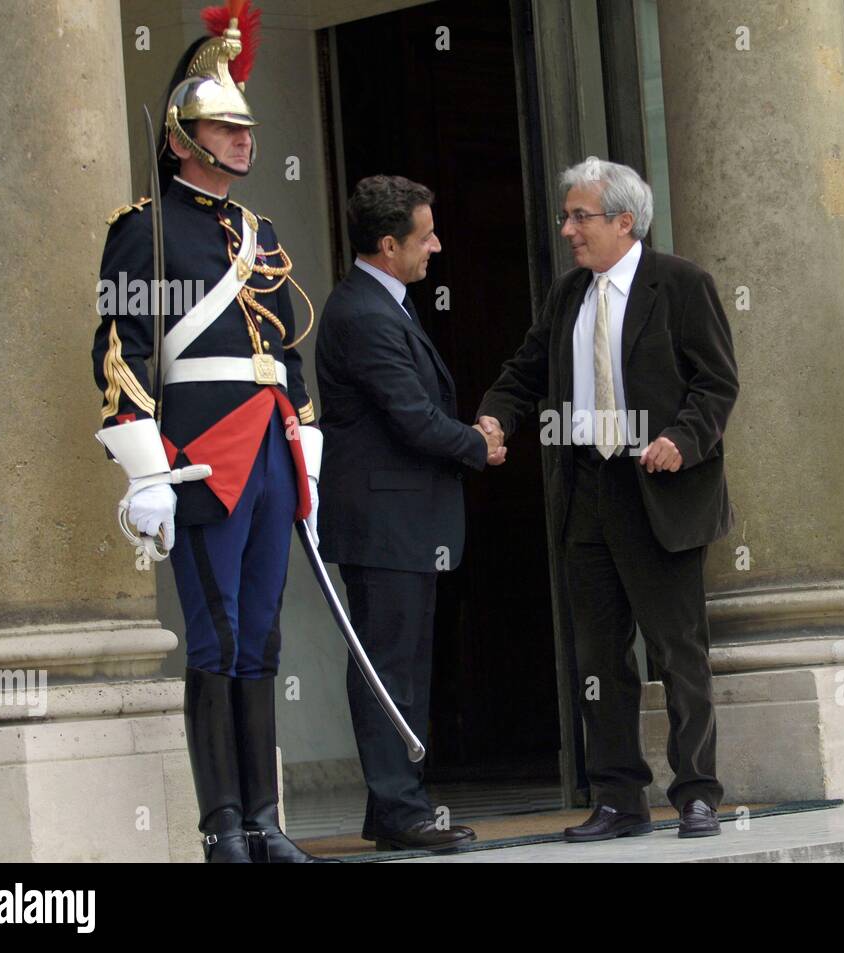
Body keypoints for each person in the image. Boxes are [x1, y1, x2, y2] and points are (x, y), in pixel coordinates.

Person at [91, 2, 333, 861]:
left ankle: (266, 822)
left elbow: (286, 345)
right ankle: (221, 824)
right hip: (203, 454)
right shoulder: (144, 229)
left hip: (270, 446)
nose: (240, 139)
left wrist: (305, 438)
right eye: (221, 127)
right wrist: (146, 466)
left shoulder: (259, 234)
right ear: (180, 135)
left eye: (244, 127)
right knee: (218, 635)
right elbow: (122, 348)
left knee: (262, 634)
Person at [476, 157, 739, 840]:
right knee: (599, 657)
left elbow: (716, 384)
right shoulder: (568, 295)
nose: (568, 228)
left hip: (659, 487)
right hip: (587, 491)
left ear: (625, 220)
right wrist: (494, 420)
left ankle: (697, 792)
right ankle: (620, 797)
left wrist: (683, 439)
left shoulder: (681, 285)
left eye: (580, 216)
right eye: (566, 216)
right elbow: (525, 371)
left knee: (677, 650)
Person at [315, 175, 500, 852]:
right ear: (389, 244)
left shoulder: (384, 301)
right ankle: (399, 808)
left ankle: (393, 804)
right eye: (426, 236)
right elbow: (411, 419)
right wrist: (476, 443)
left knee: (403, 664)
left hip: (403, 523)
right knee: (388, 667)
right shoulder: (363, 312)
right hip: (383, 523)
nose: (437, 246)